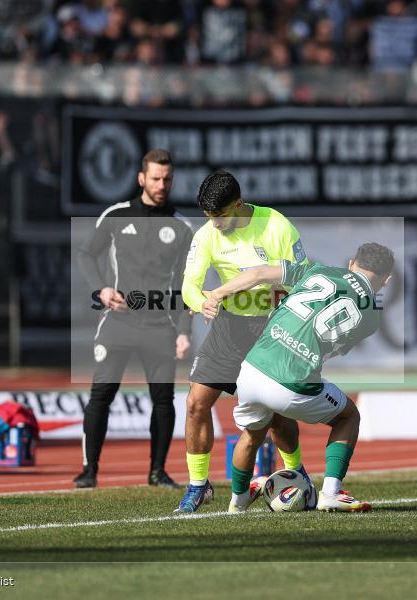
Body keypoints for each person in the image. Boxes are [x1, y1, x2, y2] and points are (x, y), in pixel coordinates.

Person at [200, 243, 395, 513]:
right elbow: (331, 349)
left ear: (352, 263)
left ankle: (238, 501)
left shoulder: (319, 269)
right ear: (387, 280)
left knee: (251, 435)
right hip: (291, 382)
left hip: (251, 369)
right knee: (348, 416)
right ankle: (331, 493)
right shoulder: (372, 317)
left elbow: (257, 274)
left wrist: (216, 294)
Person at [175, 169, 309, 513]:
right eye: (208, 217)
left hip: (271, 329)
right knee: (195, 404)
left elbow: (305, 276)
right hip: (228, 329)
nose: (214, 224)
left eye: (219, 216)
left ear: (238, 204)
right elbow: (189, 284)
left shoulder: (276, 225)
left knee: (278, 415)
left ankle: (298, 473)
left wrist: (285, 293)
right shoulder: (206, 235)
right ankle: (198, 485)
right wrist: (199, 301)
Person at [74, 149, 193, 489]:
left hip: (160, 326)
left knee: (163, 400)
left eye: (167, 179)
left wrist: (184, 331)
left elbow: (187, 284)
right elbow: (86, 254)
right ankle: (89, 469)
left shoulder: (182, 227)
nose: (161, 184)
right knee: (101, 395)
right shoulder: (116, 215)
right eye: (155, 178)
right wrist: (101, 290)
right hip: (119, 323)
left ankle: (157, 472)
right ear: (141, 178)